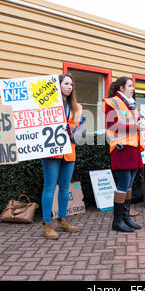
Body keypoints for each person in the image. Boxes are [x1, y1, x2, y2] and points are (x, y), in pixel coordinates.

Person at [41, 74, 85, 239]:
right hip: (52, 151)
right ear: (57, 85)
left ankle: (62, 220)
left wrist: (78, 131)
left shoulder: (77, 107)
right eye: (66, 83)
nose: (70, 87)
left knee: (65, 188)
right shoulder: (47, 105)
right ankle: (47, 225)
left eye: (71, 84)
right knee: (50, 187)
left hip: (70, 151)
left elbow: (79, 132)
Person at [103, 76, 145, 232]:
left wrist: (141, 123)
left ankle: (126, 218)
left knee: (129, 185)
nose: (132, 88)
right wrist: (136, 127)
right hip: (121, 148)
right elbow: (112, 126)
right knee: (123, 184)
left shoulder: (132, 104)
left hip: (133, 147)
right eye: (129, 85)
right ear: (121, 88)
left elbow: (133, 123)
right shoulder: (111, 102)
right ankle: (117, 221)